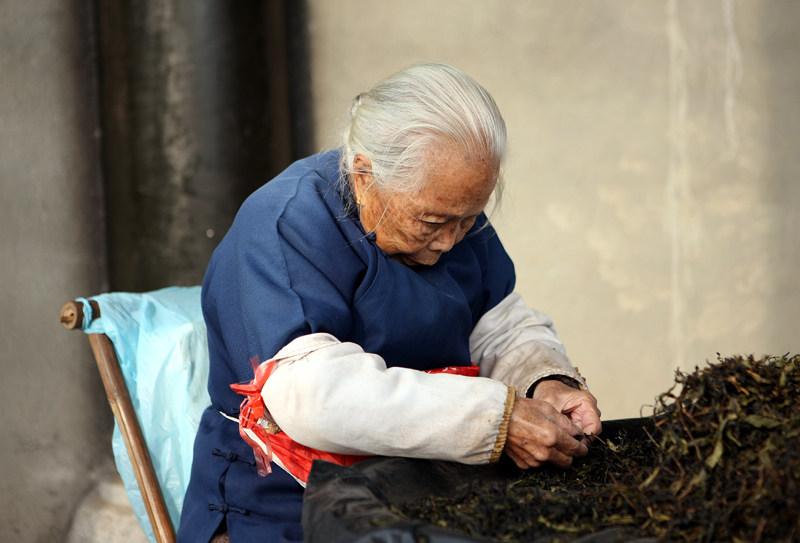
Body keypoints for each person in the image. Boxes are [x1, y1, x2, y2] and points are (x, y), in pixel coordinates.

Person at [177, 62, 602, 543]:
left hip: (419, 486)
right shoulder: (284, 226)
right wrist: (496, 419)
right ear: (364, 176)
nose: (449, 242)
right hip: (282, 501)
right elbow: (312, 396)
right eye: (431, 221)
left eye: (467, 220)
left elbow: (499, 325)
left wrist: (546, 383)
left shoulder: (455, 215)